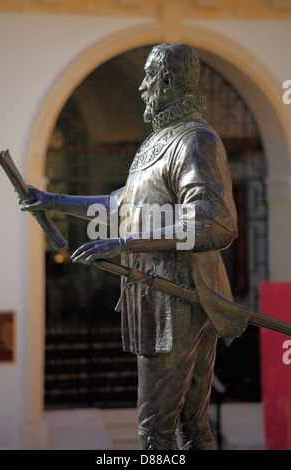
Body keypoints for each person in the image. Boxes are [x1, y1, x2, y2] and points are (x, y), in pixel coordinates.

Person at [21, 43, 247, 450]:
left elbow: (215, 224)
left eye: (148, 77)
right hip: (158, 297)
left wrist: (126, 242)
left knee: (155, 432)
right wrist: (52, 202)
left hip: (181, 299)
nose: (142, 87)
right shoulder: (157, 143)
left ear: (168, 81)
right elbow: (119, 205)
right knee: (189, 429)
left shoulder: (195, 140)